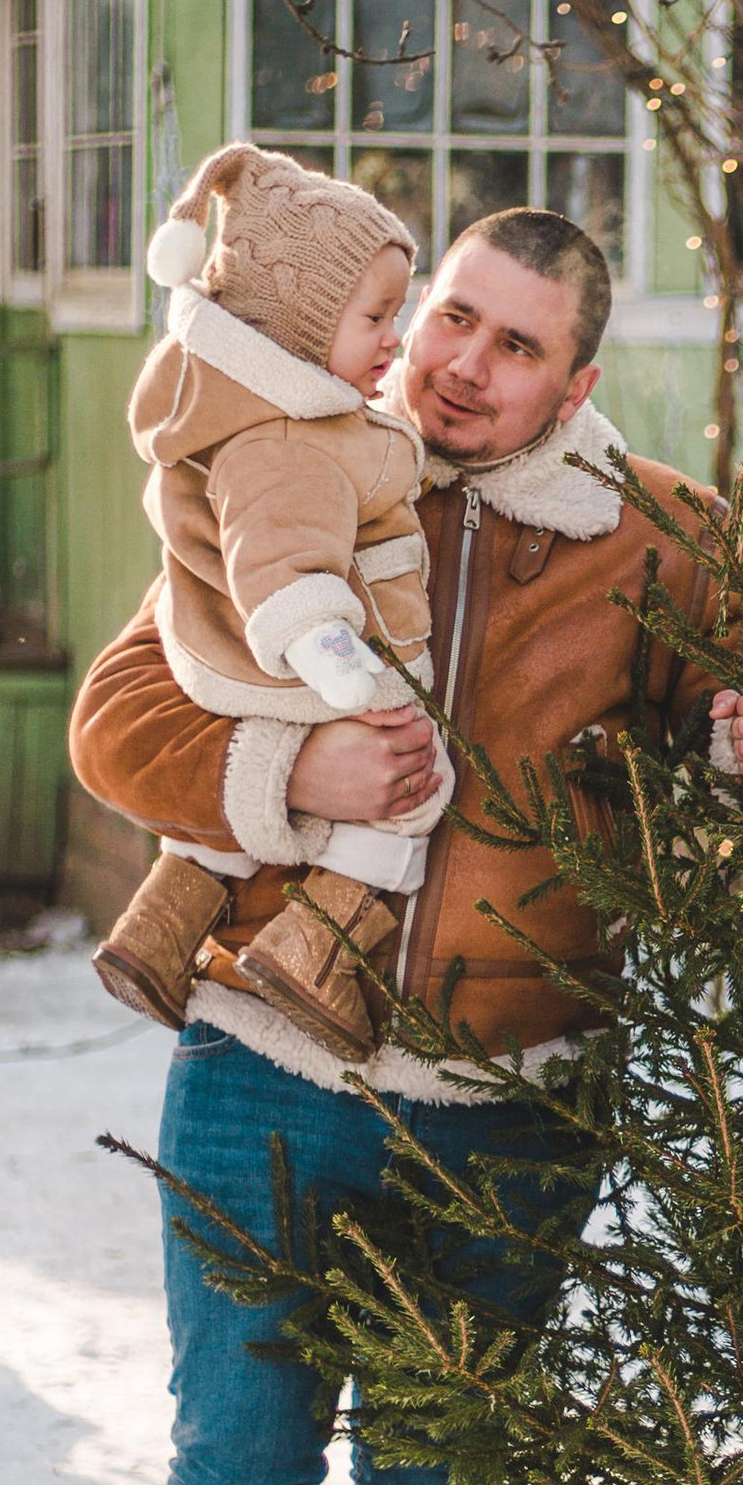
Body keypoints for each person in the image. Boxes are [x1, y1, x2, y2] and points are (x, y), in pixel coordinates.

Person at [69, 204, 743, 1485]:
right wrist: (295, 768)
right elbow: (117, 720)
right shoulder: (296, 457)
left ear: (577, 383)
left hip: (510, 1102)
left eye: (516, 346)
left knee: (436, 1476)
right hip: (261, 1065)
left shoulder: (656, 537)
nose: (463, 367)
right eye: (450, 319)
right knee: (233, 1461)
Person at [90, 143, 448, 1060]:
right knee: (416, 784)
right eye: (376, 318)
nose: (395, 339)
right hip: (310, 660)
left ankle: (161, 928)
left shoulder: (247, 415)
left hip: (229, 655)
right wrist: (335, 656)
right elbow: (285, 555)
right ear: (301, 328)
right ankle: (313, 951)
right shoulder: (294, 439)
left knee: (232, 824)